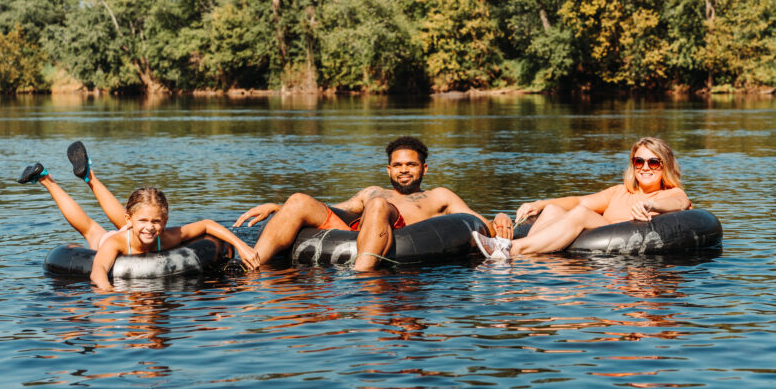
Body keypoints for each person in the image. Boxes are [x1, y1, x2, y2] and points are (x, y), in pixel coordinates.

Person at [235, 136, 513, 271]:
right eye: (397, 165)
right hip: (358, 232)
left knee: (379, 205)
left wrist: (499, 216)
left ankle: (361, 279)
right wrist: (277, 207)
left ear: (424, 169)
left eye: (411, 165)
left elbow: (476, 224)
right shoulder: (371, 191)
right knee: (298, 199)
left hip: (401, 238)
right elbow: (334, 209)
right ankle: (250, 266)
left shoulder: (440, 195)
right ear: (389, 169)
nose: (404, 170)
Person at [18, 141, 259, 291]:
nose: (151, 227)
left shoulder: (165, 237)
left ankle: (88, 175)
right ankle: (46, 179)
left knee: (126, 220)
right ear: (129, 221)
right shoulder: (115, 242)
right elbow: (98, 270)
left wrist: (242, 246)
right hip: (117, 242)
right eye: (144, 221)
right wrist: (106, 293)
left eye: (157, 222)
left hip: (131, 234)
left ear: (165, 222)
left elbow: (206, 225)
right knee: (90, 229)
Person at [473, 136, 692, 260]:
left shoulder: (670, 193)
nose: (645, 167)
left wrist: (650, 203)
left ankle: (512, 249)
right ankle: (523, 258)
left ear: (664, 166)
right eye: (638, 161)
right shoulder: (619, 191)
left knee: (580, 214)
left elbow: (679, 203)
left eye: (653, 162)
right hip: (595, 240)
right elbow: (579, 201)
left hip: (621, 248)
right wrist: (538, 204)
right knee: (553, 210)